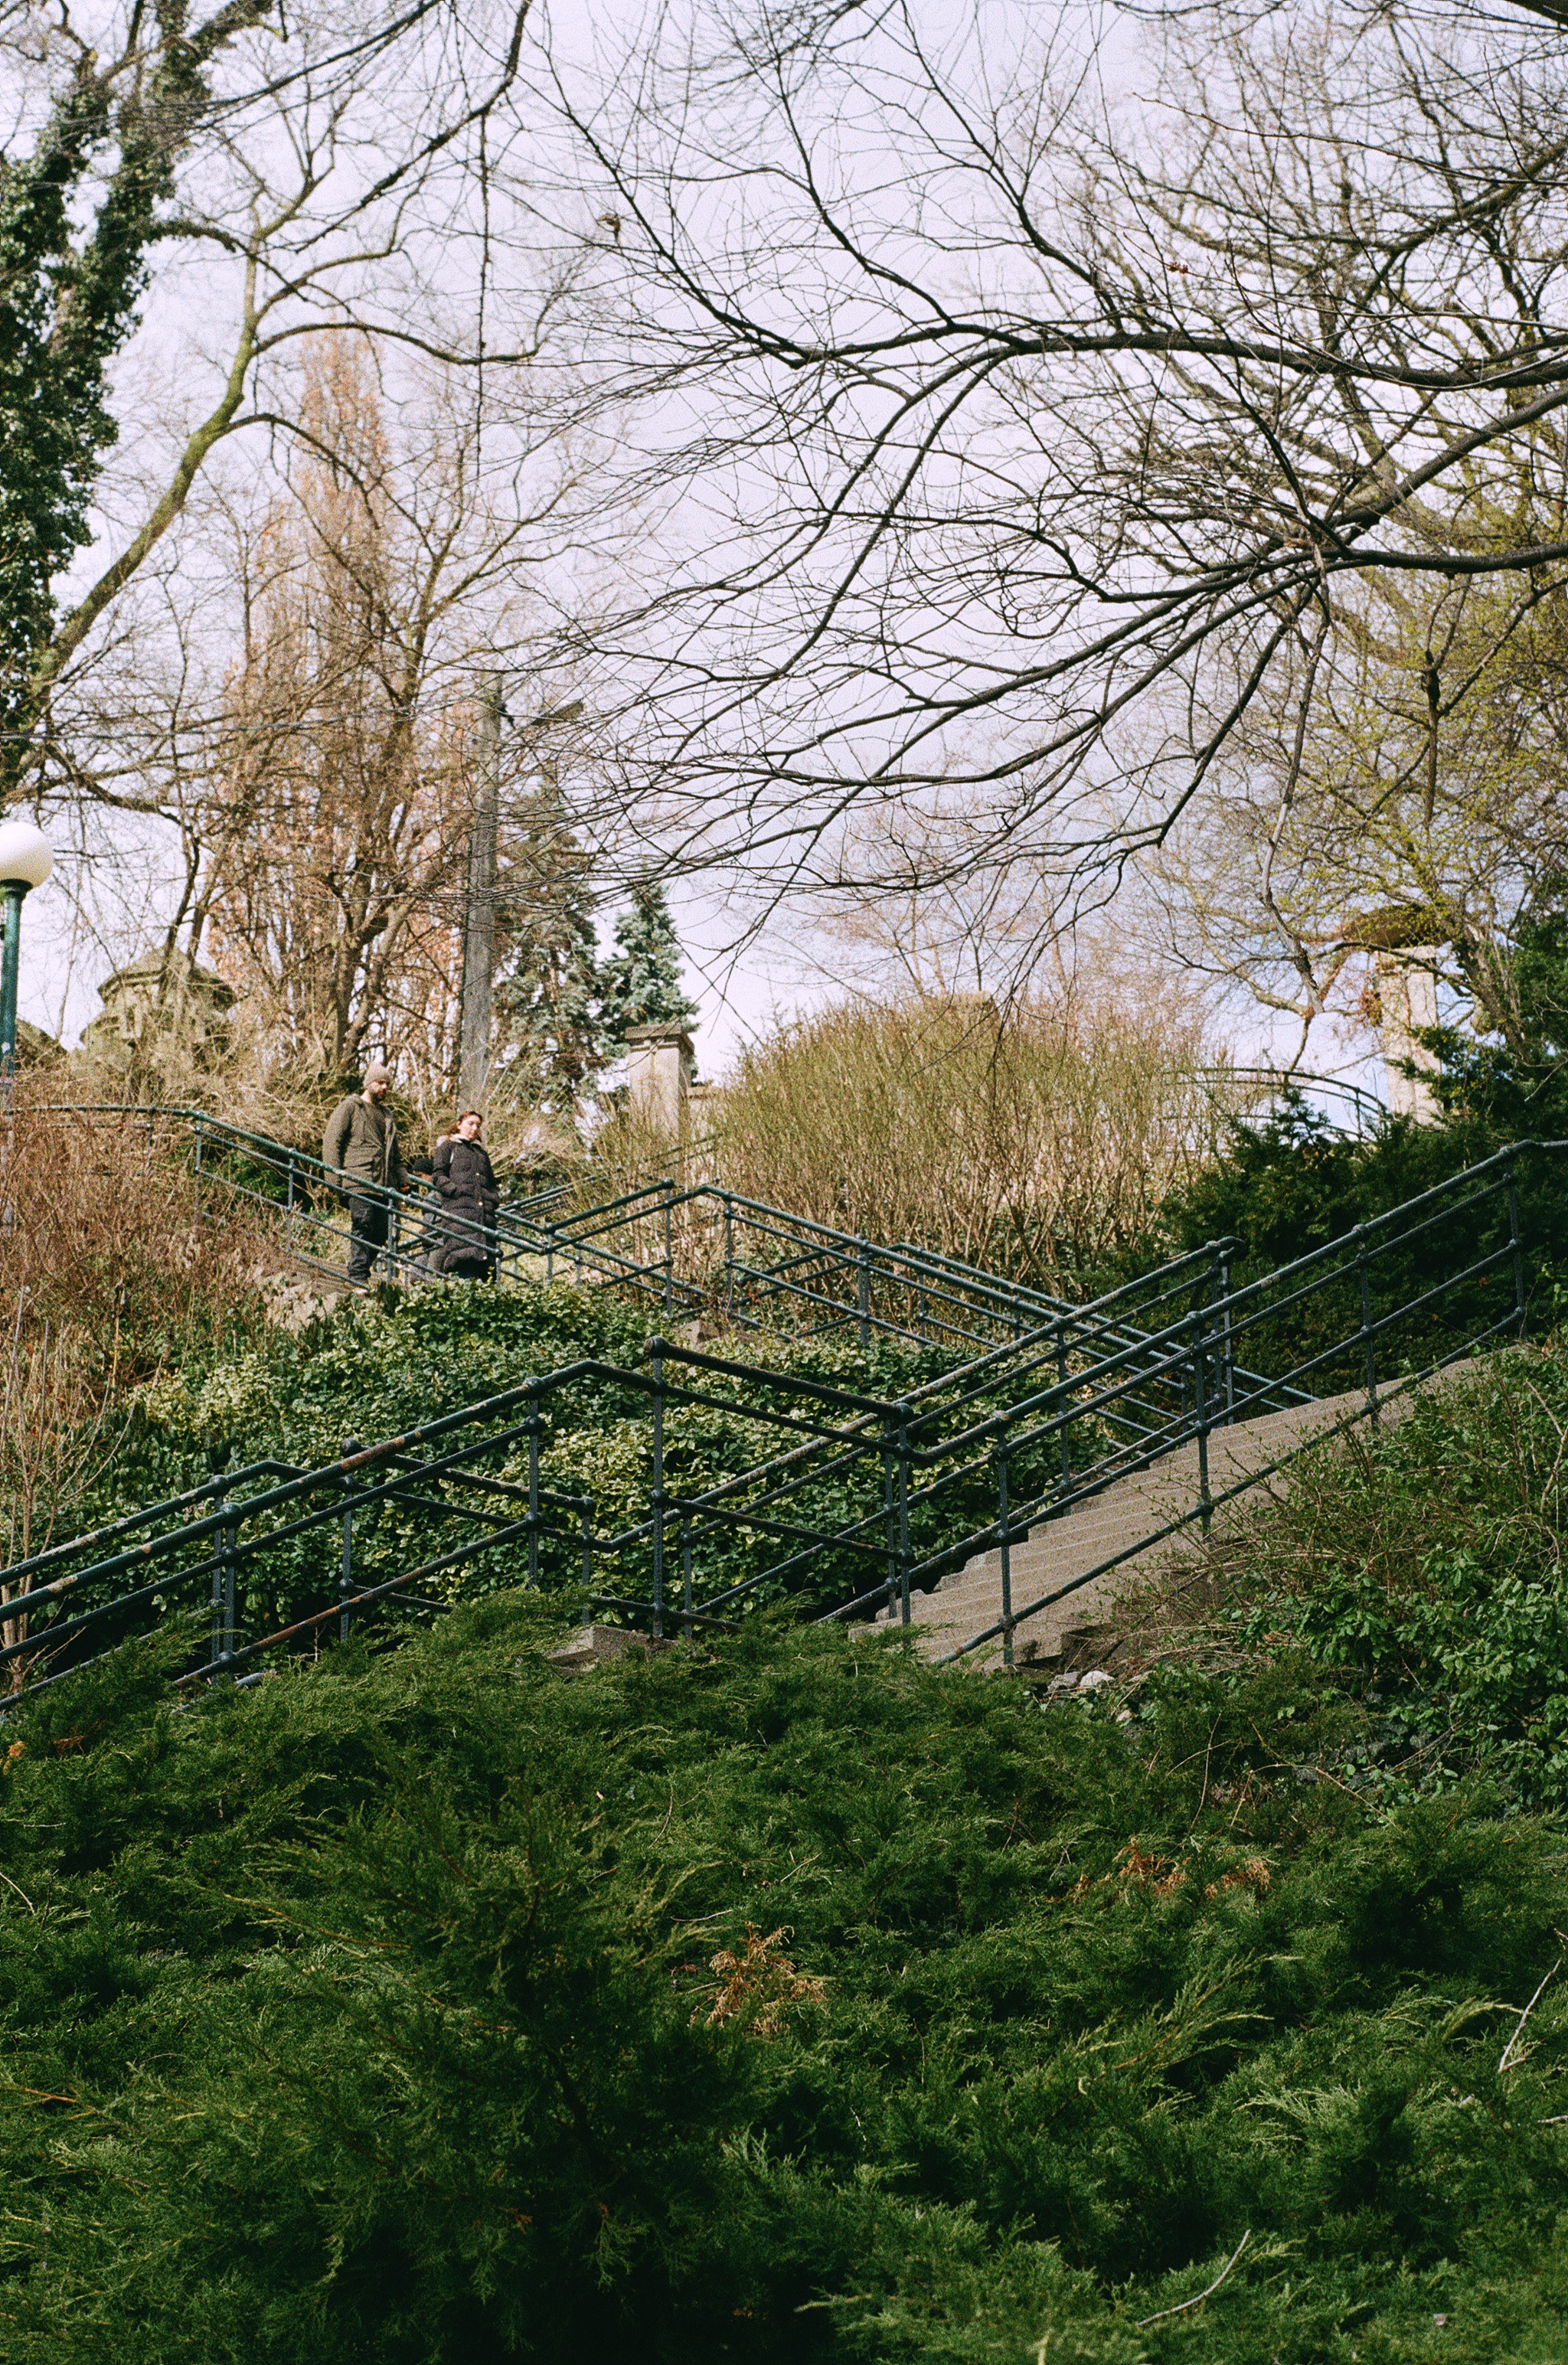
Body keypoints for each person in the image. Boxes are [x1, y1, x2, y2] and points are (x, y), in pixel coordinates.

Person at [322, 1062, 409, 1285]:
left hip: (383, 1183)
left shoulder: (387, 1115)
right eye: (380, 1083)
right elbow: (333, 1142)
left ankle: (357, 1269)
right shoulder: (350, 1107)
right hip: (358, 1178)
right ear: (368, 1083)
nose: (384, 1088)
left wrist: (404, 1181)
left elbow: (395, 1154)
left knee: (382, 1231)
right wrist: (334, 1179)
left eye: (387, 1084)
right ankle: (358, 1276)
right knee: (363, 1223)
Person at [428, 1109, 500, 1280]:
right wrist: (455, 1192)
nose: (475, 1128)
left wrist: (493, 1200)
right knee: (465, 1265)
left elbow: (491, 1182)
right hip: (459, 1216)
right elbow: (438, 1176)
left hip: (483, 1217)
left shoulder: (482, 1153)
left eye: (478, 1125)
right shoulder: (448, 1147)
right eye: (471, 1124)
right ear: (459, 1125)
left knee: (486, 1271)